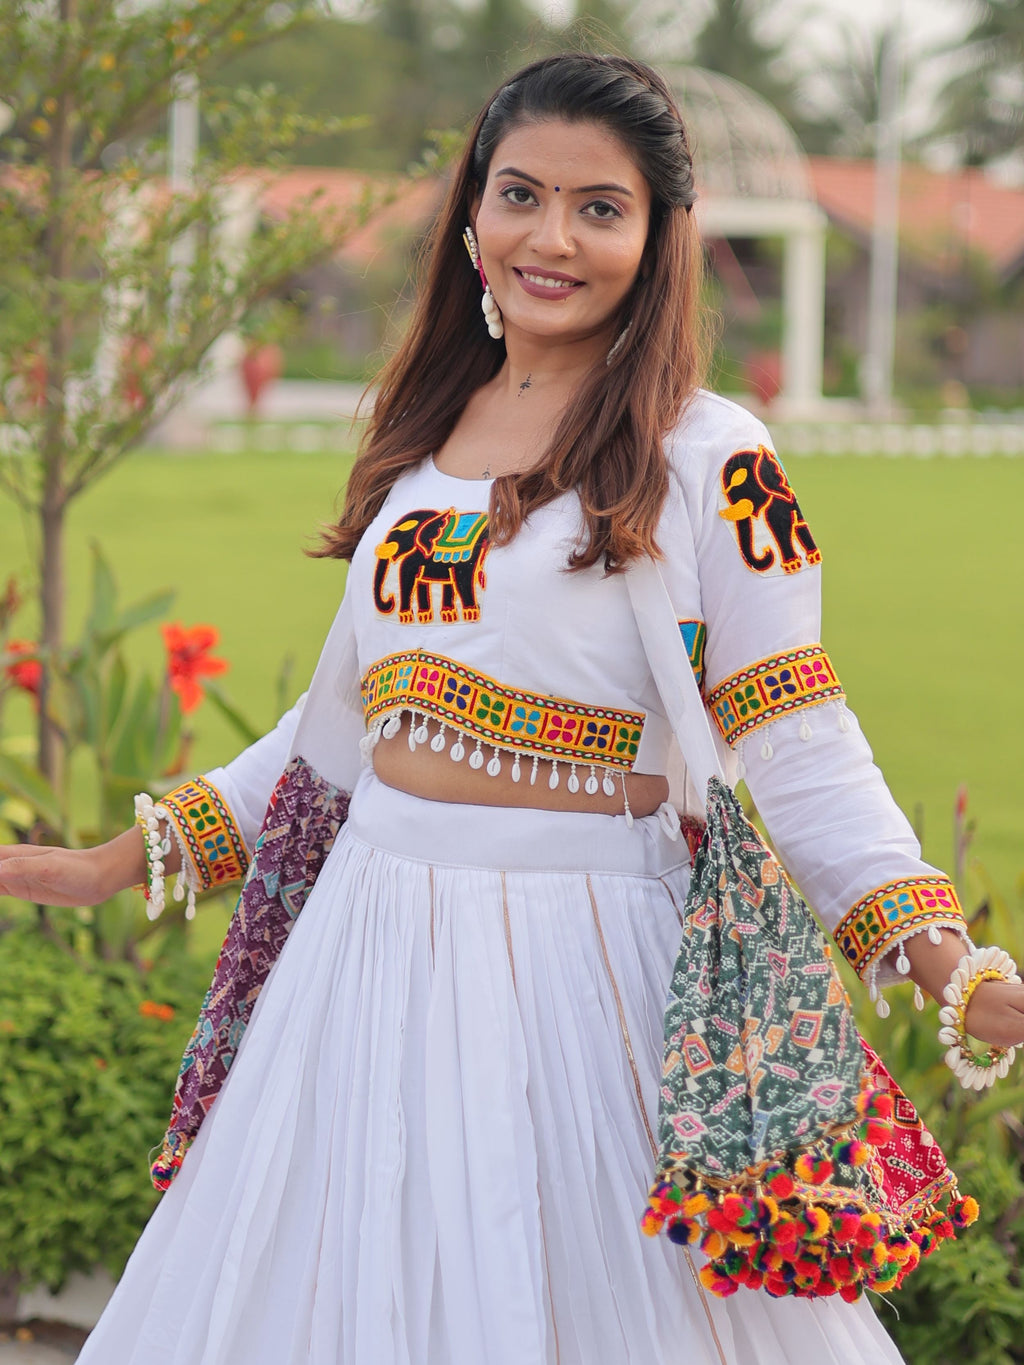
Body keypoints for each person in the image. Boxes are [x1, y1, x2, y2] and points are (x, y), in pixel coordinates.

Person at [2, 51, 1023, 1365]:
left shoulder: (716, 456)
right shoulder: (422, 436)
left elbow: (801, 735)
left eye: (600, 207)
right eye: (521, 193)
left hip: (587, 966)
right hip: (364, 958)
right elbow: (336, 735)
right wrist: (101, 864)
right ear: (472, 213)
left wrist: (950, 964)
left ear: (660, 237)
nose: (552, 236)